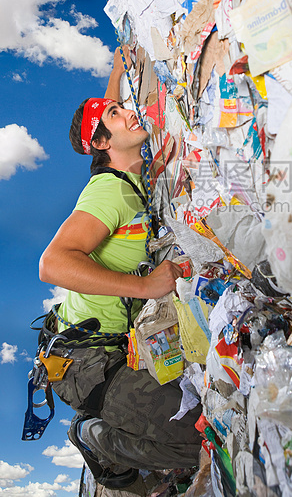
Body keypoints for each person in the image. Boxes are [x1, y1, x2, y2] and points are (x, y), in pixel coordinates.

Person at [39, 47, 202, 492]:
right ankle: (94, 437)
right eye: (116, 115)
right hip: (86, 362)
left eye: (122, 108)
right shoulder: (110, 191)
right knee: (202, 439)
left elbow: (104, 121)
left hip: (117, 347)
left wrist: (115, 73)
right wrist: (146, 285)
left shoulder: (129, 178)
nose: (129, 113)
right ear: (103, 143)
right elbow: (51, 264)